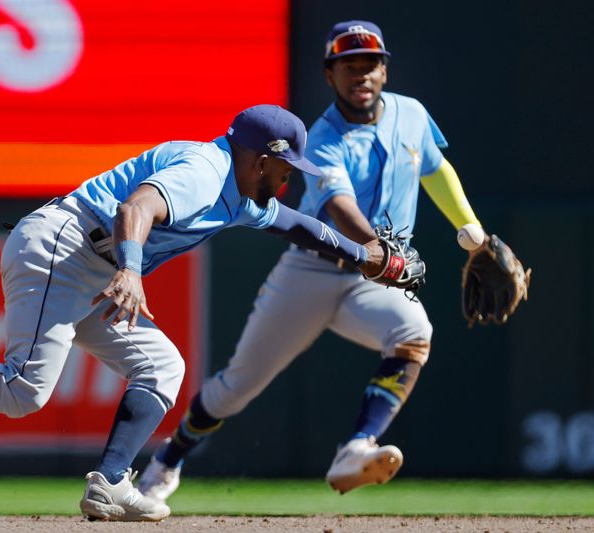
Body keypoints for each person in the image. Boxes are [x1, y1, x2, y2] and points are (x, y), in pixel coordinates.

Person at [0, 104, 420, 521]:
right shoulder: (206, 173)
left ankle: (110, 484)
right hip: (64, 247)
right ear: (262, 158)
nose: (290, 179)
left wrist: (366, 256)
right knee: (24, 393)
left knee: (163, 367)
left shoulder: (243, 189)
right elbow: (140, 206)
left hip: (96, 268)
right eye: (287, 168)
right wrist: (131, 269)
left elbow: (298, 226)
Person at [138, 20, 489, 502]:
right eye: (349, 66)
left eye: (370, 64)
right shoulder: (323, 136)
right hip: (312, 270)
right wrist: (382, 253)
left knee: (414, 334)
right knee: (237, 386)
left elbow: (436, 169)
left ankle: (356, 446)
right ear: (330, 74)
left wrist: (473, 232)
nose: (360, 74)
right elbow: (339, 207)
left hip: (372, 281)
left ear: (384, 71)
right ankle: (166, 462)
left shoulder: (411, 115)